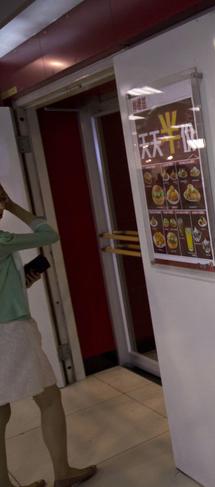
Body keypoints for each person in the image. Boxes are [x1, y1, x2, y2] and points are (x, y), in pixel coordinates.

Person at [0, 184, 96, 487]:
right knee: (49, 398)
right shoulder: (2, 240)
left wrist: (19, 284)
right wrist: (15, 206)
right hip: (10, 331)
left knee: (0, 411)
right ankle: (63, 473)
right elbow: (49, 234)